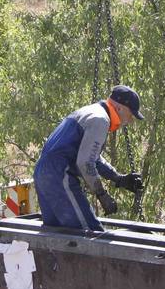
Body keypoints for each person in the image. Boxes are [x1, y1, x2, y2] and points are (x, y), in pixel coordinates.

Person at [33, 85, 145, 232]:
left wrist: (118, 178)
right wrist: (102, 194)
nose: (129, 121)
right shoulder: (100, 120)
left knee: (56, 236)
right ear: (119, 108)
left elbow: (92, 158)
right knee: (89, 235)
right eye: (131, 115)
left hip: (43, 174)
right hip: (59, 174)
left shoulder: (90, 112)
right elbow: (85, 162)